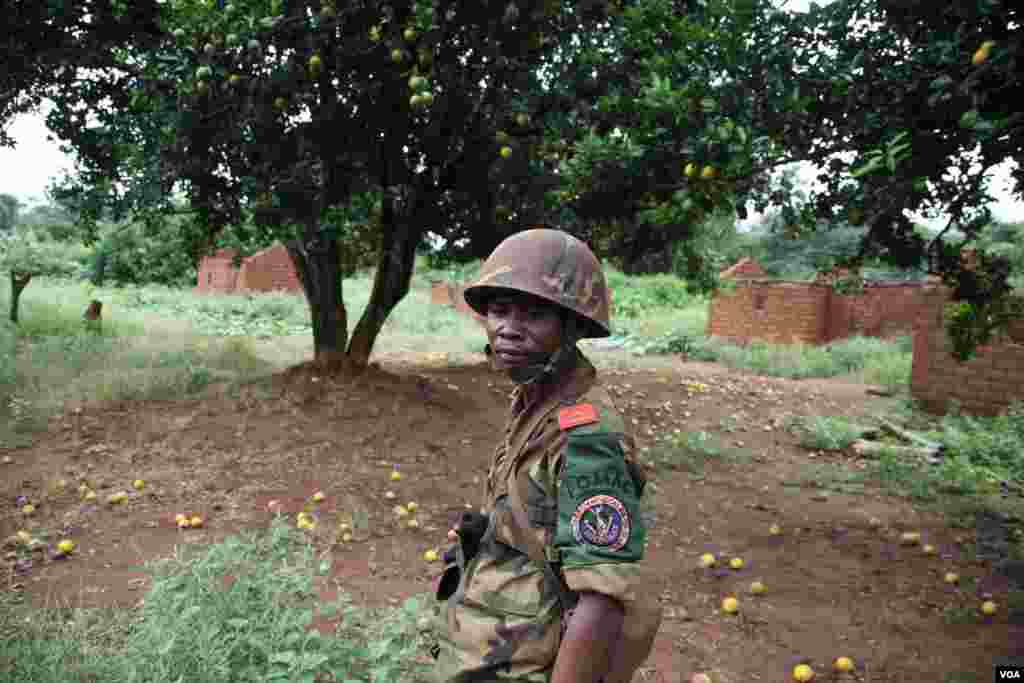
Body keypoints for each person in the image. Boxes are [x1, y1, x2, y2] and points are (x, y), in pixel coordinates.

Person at [428, 228, 663, 683]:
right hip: (487, 651)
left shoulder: (588, 437)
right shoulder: (536, 402)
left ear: (572, 326)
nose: (509, 328)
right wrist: (493, 533)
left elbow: (601, 600)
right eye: (499, 309)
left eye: (534, 314)